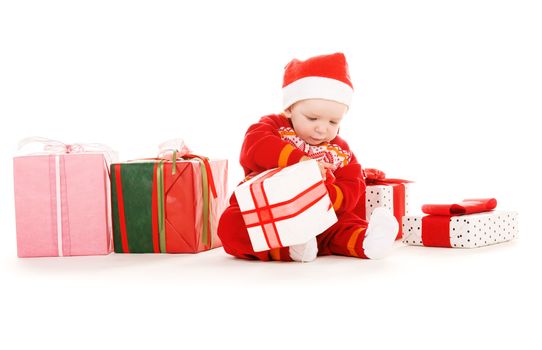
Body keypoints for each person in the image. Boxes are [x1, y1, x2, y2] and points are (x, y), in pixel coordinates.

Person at [217, 52, 398, 262]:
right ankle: (291, 247)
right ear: (289, 109)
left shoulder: (340, 151)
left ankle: (367, 241)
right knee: (232, 225)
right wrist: (301, 163)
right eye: (312, 118)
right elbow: (255, 146)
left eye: (333, 122)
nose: (322, 129)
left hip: (319, 215)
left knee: (341, 223)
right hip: (269, 210)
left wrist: (324, 194)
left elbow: (353, 184)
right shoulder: (274, 127)